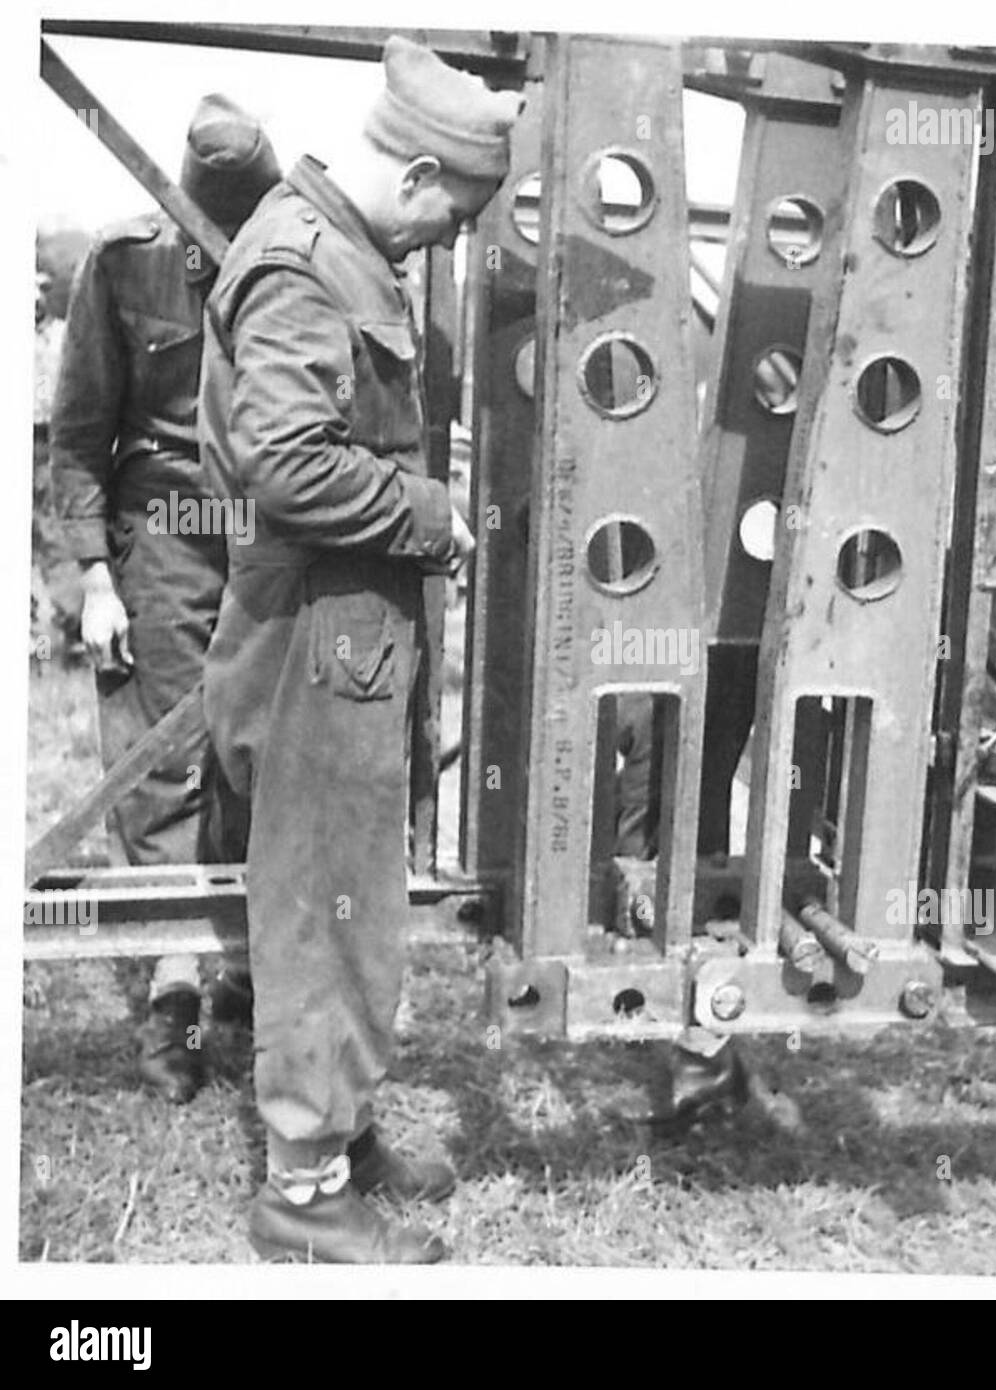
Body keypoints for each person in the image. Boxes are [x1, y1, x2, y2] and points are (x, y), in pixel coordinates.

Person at [199, 37, 518, 1263]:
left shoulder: (339, 251)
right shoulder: (300, 263)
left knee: (353, 892)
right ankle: (304, 1187)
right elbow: (288, 463)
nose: (447, 239)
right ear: (423, 172)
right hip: (312, 634)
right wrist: (436, 518)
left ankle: (344, 1132)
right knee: (320, 903)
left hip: (350, 627)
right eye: (455, 215)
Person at [50, 96, 281, 1102]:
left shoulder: (296, 258)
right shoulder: (125, 259)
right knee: (162, 757)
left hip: (269, 529)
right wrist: (92, 575)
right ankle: (173, 992)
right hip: (168, 532)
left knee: (263, 752)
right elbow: (79, 429)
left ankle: (246, 970)